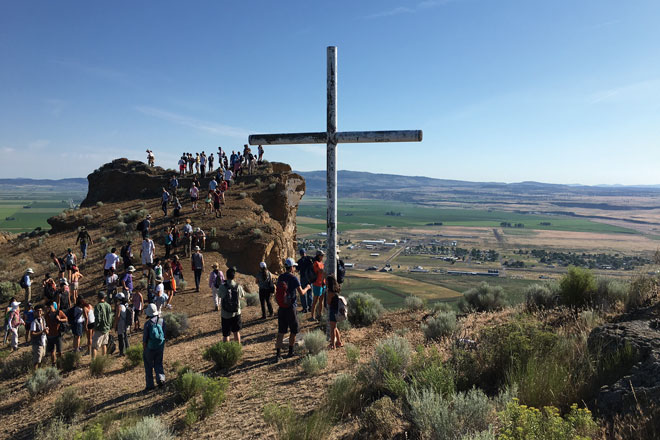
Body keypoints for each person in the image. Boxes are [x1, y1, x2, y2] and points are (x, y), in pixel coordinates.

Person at [274, 258, 311, 362]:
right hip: (291, 308)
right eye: (294, 266)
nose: (295, 268)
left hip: (281, 308)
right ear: (291, 268)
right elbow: (301, 293)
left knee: (281, 332)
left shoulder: (281, 277)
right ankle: (290, 352)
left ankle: (278, 354)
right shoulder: (294, 278)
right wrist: (307, 288)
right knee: (294, 331)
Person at [143, 303, 166, 391]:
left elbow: (145, 339)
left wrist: (145, 349)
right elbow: (164, 334)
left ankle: (150, 385)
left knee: (148, 366)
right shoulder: (161, 321)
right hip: (160, 346)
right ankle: (161, 379)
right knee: (158, 363)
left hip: (150, 348)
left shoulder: (148, 324)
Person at [218, 267, 245, 343]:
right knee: (236, 332)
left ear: (226, 276)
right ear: (234, 277)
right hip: (236, 312)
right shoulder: (238, 286)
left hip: (225, 314)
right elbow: (242, 295)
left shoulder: (222, 287)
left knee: (226, 335)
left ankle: (227, 350)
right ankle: (237, 348)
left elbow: (219, 295)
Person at [325, 275, 344, 349]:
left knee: (332, 328)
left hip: (333, 311)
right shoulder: (336, 290)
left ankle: (333, 345)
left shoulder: (330, 292)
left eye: (326, 281)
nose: (325, 282)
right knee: (335, 327)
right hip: (337, 311)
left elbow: (328, 302)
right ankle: (338, 342)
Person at [92, 292, 113, 360]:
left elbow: (98, 318)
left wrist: (95, 327)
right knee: (104, 344)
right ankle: (103, 359)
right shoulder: (108, 305)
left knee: (94, 346)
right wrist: (109, 327)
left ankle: (93, 361)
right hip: (106, 328)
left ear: (98, 298)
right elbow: (110, 317)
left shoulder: (98, 306)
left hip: (100, 329)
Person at [309, 250, 326, 321]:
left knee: (321, 300)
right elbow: (321, 271)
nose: (323, 256)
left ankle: (320, 315)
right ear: (318, 256)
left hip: (322, 283)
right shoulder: (316, 263)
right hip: (317, 284)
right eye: (322, 255)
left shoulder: (321, 263)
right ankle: (312, 316)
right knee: (315, 301)